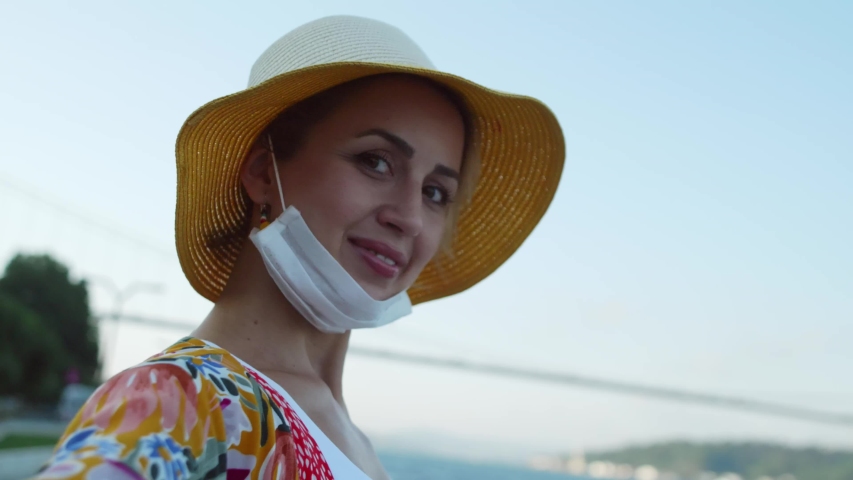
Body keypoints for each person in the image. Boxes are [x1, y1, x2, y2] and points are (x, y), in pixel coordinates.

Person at [35, 15, 564, 480]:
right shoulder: (188, 400)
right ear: (263, 172)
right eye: (376, 162)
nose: (408, 217)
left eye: (435, 193)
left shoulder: (347, 434)